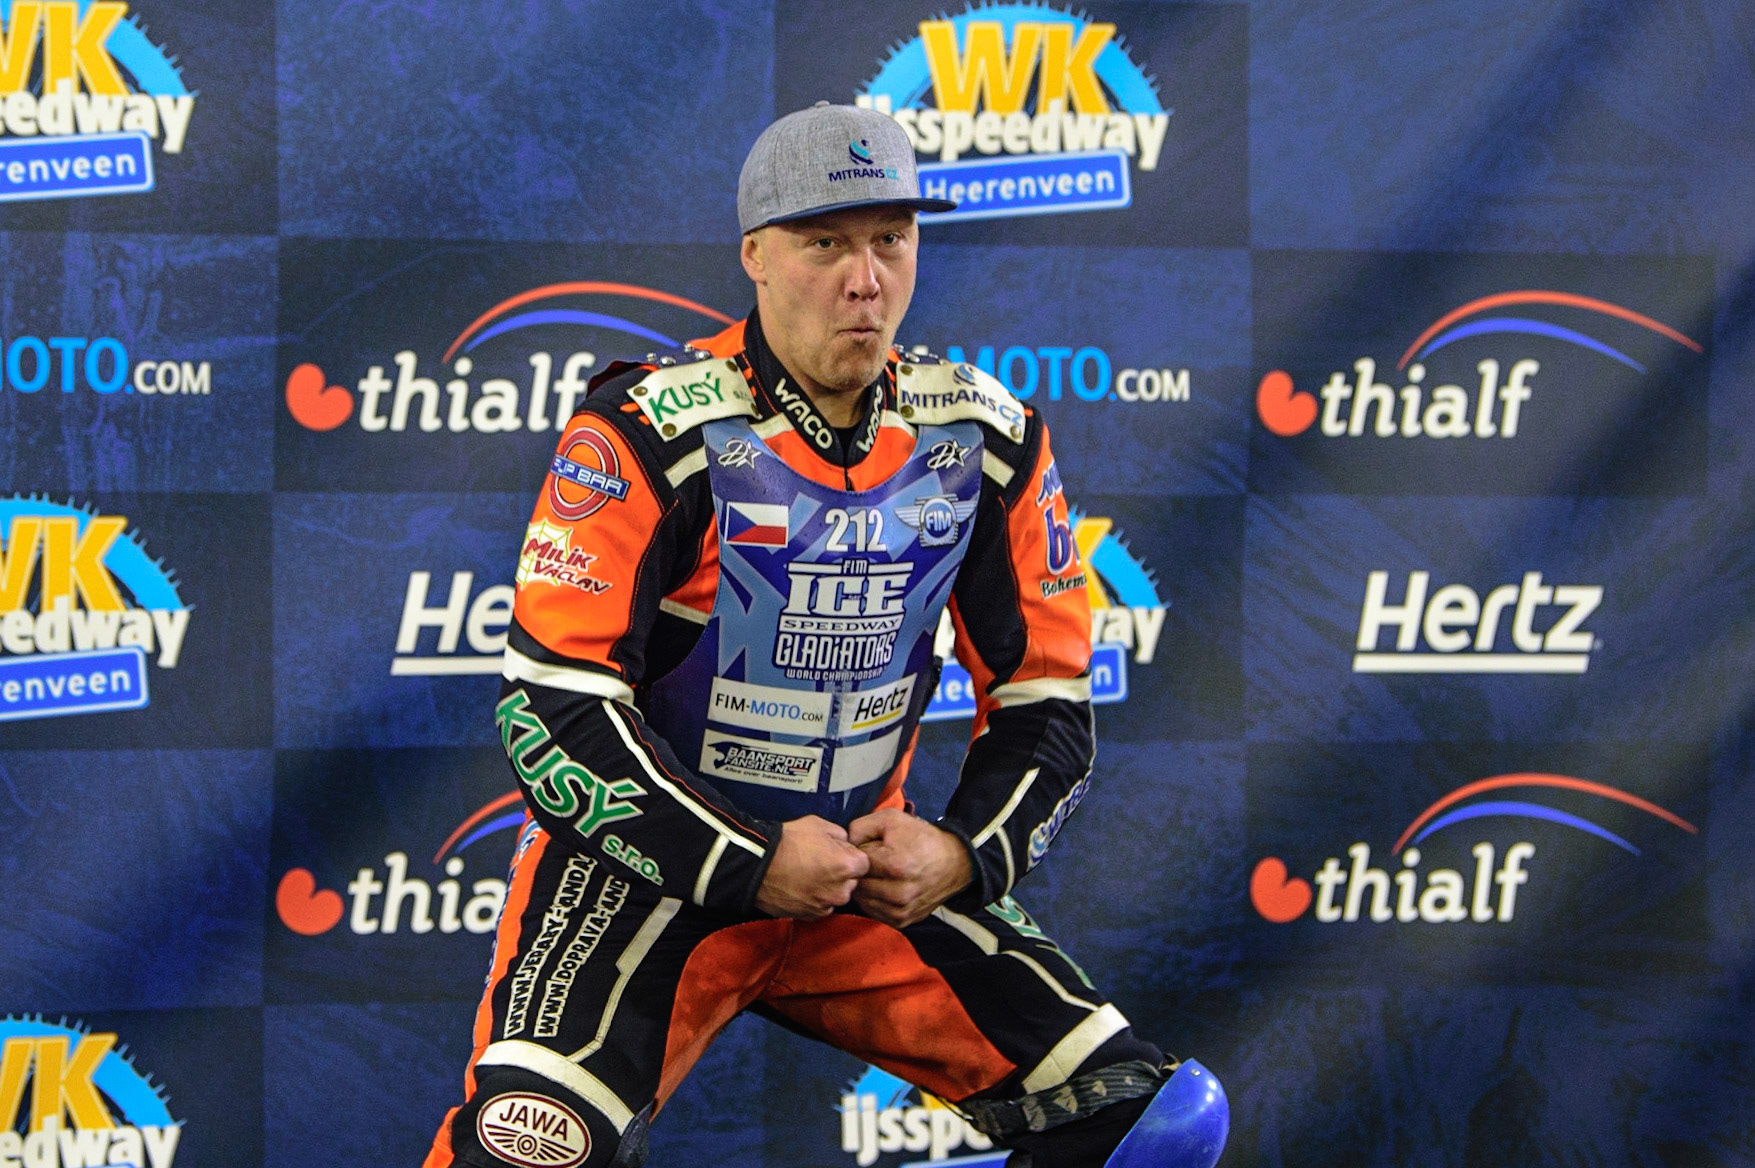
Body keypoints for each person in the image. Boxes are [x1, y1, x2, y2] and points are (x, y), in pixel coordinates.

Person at [425, 102, 1227, 1168]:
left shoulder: (981, 436)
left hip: (862, 883)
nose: (866, 279)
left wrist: (959, 853)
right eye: (826, 243)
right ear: (755, 256)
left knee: (1151, 1127)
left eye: (890, 239)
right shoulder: (646, 433)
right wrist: (746, 859)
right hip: (646, 884)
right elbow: (552, 711)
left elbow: (1047, 703)